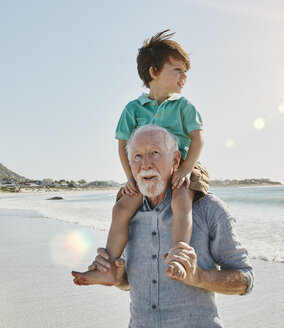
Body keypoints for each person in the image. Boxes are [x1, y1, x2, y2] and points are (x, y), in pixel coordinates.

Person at [72, 125, 253, 327]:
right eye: (137, 156)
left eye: (155, 153)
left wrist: (199, 276)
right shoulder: (126, 214)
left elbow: (245, 280)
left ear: (176, 160)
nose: (145, 164)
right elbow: (128, 284)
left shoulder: (209, 208)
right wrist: (118, 278)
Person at [77, 29, 207, 282]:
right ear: (154, 72)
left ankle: (180, 256)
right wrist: (130, 178)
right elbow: (123, 146)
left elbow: (197, 139)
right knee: (121, 208)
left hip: (183, 165)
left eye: (186, 72)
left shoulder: (184, 106)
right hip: (147, 170)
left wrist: (187, 170)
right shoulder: (133, 109)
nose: (184, 76)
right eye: (177, 70)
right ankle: (106, 268)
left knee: (181, 200)